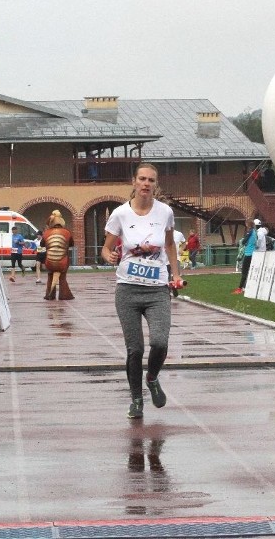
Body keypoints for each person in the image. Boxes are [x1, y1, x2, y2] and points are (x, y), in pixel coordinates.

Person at [100, 162, 182, 419]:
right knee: (134, 349)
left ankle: (153, 377)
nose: (146, 184)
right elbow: (106, 248)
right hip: (127, 290)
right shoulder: (120, 214)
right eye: (142, 179)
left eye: (151, 180)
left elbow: (169, 245)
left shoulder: (165, 212)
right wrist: (109, 256)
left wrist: (176, 274)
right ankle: (136, 399)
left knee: (159, 341)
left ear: (156, 185)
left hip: (157, 290)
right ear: (134, 182)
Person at [42, 209, 74, 300]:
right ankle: (64, 295)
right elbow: (71, 244)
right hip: (62, 262)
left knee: (50, 276)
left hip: (49, 262)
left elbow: (42, 244)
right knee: (62, 278)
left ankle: (49, 295)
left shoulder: (46, 233)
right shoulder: (67, 232)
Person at [233, 219, 259, 294]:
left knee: (244, 271)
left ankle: (240, 288)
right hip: (253, 253)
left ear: (248, 224)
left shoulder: (250, 231)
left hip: (248, 254)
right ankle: (247, 287)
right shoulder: (255, 232)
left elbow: (244, 241)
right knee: (249, 271)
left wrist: (242, 242)